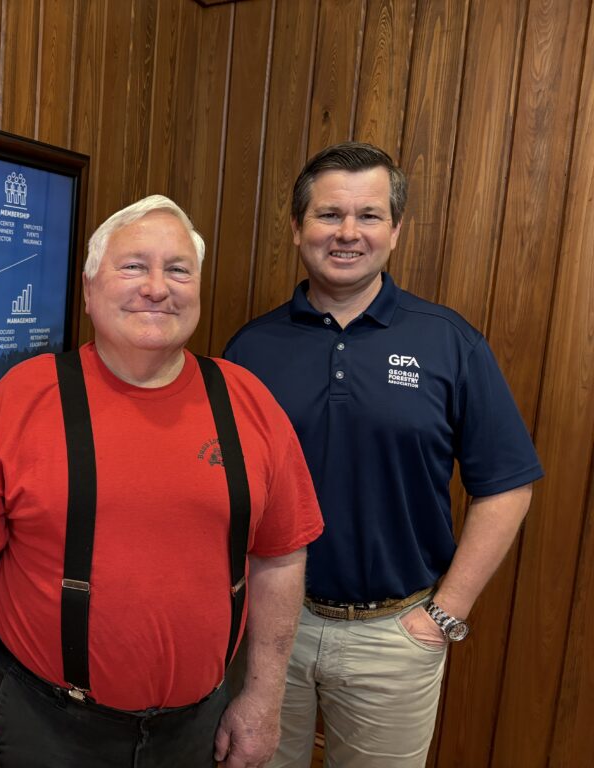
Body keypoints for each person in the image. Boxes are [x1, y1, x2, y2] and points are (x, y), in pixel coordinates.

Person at [0, 194, 324, 768]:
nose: (157, 288)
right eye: (134, 266)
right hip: (42, 728)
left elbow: (281, 557)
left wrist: (264, 699)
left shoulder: (250, 403)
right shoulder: (21, 399)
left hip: (195, 733)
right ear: (90, 290)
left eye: (178, 270)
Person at [223, 142, 543, 767]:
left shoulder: (450, 343)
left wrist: (445, 615)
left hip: (395, 636)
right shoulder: (251, 349)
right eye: (328, 214)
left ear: (395, 230)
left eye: (368, 215)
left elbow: (507, 485)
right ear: (297, 228)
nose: (348, 232)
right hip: (268, 631)